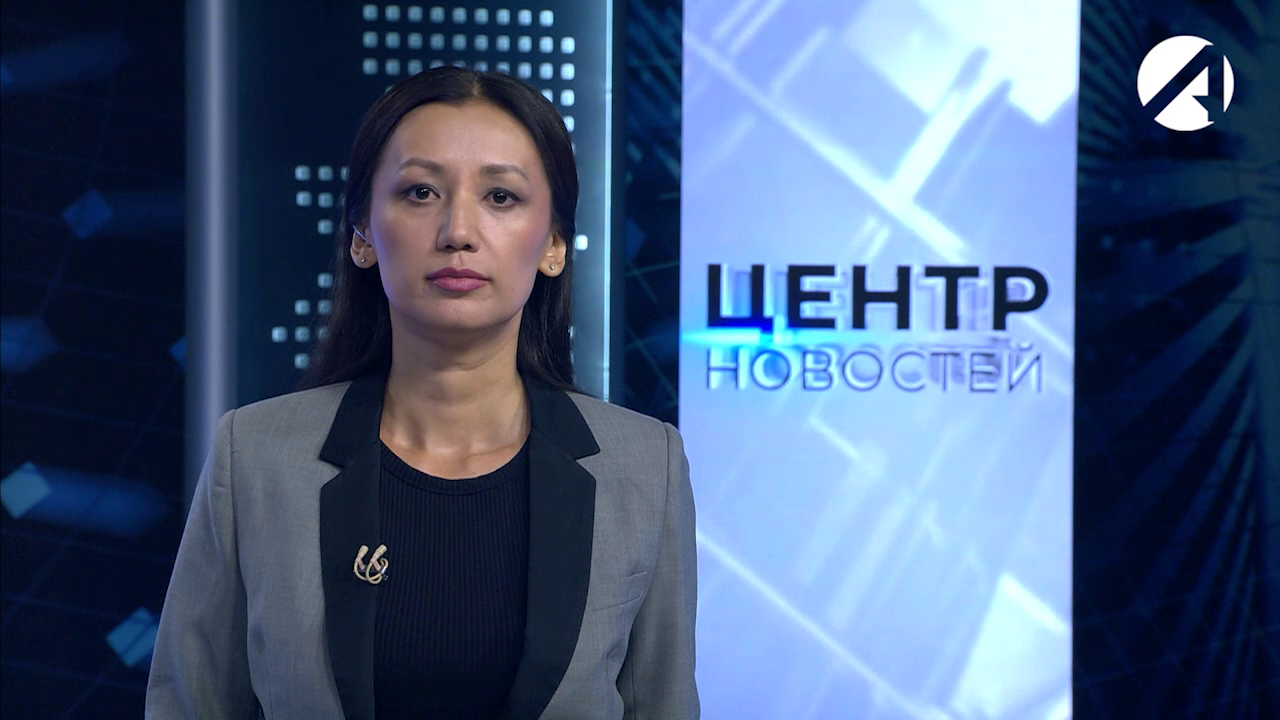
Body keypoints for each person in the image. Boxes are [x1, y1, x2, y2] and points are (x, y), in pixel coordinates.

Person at [145, 66, 698, 719]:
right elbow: (190, 705)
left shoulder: (645, 466)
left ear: (553, 244)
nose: (457, 231)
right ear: (362, 235)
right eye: (420, 192)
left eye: (500, 197)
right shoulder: (256, 455)